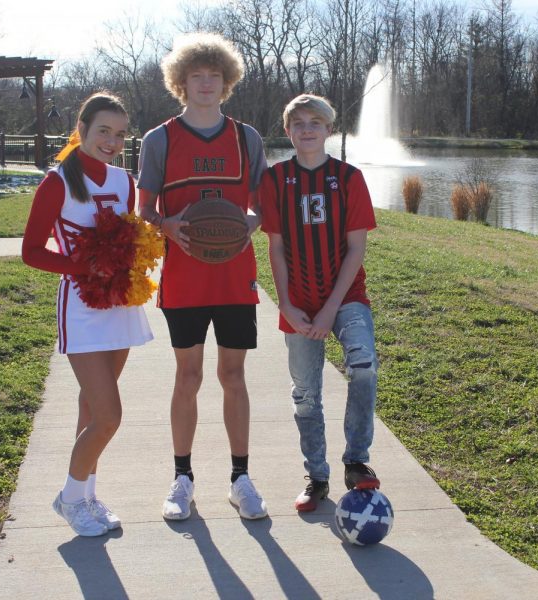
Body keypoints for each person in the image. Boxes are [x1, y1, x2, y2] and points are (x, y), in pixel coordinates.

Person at [137, 32, 268, 521]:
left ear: (226, 80)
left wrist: (252, 219)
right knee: (187, 376)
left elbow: (262, 201)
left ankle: (241, 479)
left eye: (214, 75)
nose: (206, 83)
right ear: (181, 82)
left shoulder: (246, 137)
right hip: (185, 279)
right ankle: (182, 478)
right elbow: (144, 208)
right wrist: (166, 224)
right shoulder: (160, 139)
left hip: (235, 277)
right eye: (197, 76)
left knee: (233, 376)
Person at [22, 92, 153, 536]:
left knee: (91, 407)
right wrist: (87, 264)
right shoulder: (58, 181)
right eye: (103, 131)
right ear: (81, 128)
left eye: (119, 134)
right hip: (81, 304)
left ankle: (88, 495)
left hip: (119, 303)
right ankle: (70, 497)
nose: (112, 142)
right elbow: (31, 252)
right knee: (109, 415)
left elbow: (130, 235)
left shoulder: (125, 180)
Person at [259, 94, 381, 512]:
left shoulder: (348, 178)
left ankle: (356, 461)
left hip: (346, 297)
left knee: (363, 364)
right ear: (288, 130)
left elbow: (355, 249)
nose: (307, 129)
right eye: (298, 123)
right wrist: (287, 306)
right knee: (306, 394)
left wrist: (331, 308)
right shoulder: (275, 180)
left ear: (330, 129)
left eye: (316, 122)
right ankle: (317, 476)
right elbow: (275, 249)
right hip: (298, 302)